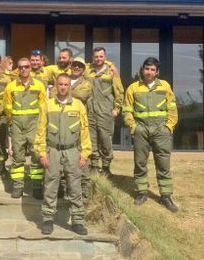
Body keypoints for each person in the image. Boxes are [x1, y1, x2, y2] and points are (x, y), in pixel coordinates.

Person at [35, 73, 91, 235]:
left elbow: (85, 131)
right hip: (52, 150)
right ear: (55, 86)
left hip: (73, 151)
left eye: (66, 84)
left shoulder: (78, 105)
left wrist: (85, 153)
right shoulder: (47, 105)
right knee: (51, 185)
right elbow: (40, 131)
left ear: (69, 87)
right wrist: (42, 152)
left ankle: (78, 221)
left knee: (74, 186)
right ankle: (47, 219)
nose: (63, 87)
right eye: (60, 84)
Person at [123, 57, 179, 212]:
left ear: (157, 72)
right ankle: (141, 192)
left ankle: (166, 196)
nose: (149, 72)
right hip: (141, 130)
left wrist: (168, 126)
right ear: (143, 70)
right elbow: (127, 110)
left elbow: (172, 108)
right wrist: (134, 127)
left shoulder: (165, 86)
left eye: (152, 69)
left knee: (163, 164)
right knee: (140, 162)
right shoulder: (133, 88)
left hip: (161, 130)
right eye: (147, 69)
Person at [4, 57, 47, 199]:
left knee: (36, 155)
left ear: (30, 67)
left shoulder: (39, 85)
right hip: (17, 126)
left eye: (26, 66)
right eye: (21, 67)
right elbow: (7, 107)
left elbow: (43, 107)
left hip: (34, 125)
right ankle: (18, 187)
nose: (24, 69)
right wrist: (13, 122)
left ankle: (36, 187)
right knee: (17, 156)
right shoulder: (11, 87)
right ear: (18, 69)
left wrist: (41, 126)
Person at [85, 47, 124, 175]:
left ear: (105, 57)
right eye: (96, 56)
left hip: (105, 111)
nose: (98, 59)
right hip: (90, 112)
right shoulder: (87, 71)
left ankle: (106, 166)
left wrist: (117, 108)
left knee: (105, 139)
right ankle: (94, 165)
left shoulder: (111, 71)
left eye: (101, 56)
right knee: (92, 139)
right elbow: (75, 66)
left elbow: (119, 91)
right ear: (92, 57)